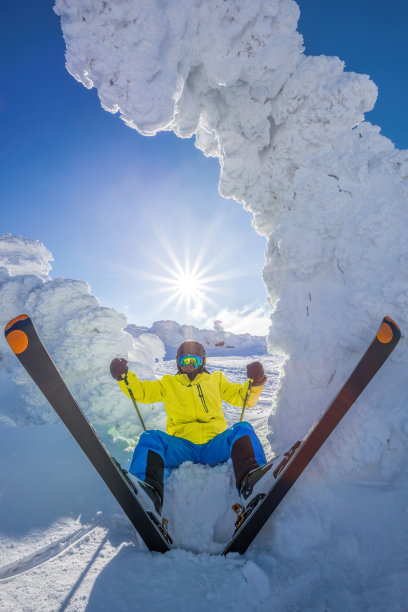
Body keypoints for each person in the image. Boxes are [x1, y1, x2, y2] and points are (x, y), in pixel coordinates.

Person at [110, 340, 270, 521]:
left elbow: (244, 398)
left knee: (243, 429)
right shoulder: (168, 383)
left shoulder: (216, 380)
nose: (188, 365)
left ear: (203, 361)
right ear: (177, 362)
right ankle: (147, 493)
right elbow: (142, 392)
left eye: (193, 361)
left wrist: (255, 383)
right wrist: (124, 377)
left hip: (214, 445)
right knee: (150, 437)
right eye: (183, 361)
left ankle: (253, 482)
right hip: (182, 447)